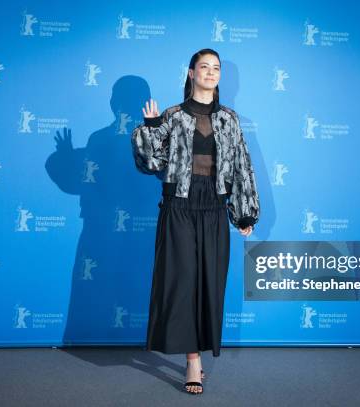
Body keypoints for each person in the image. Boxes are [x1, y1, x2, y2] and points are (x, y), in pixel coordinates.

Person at [131, 48, 260, 394]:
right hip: (179, 207)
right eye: (204, 67)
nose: (210, 72)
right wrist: (151, 128)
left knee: (209, 284)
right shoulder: (172, 116)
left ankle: (198, 353)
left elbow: (242, 166)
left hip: (214, 208)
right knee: (184, 281)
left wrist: (243, 212)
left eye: (215, 68)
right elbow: (150, 163)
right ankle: (193, 362)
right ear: (191, 73)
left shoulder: (230, 120)